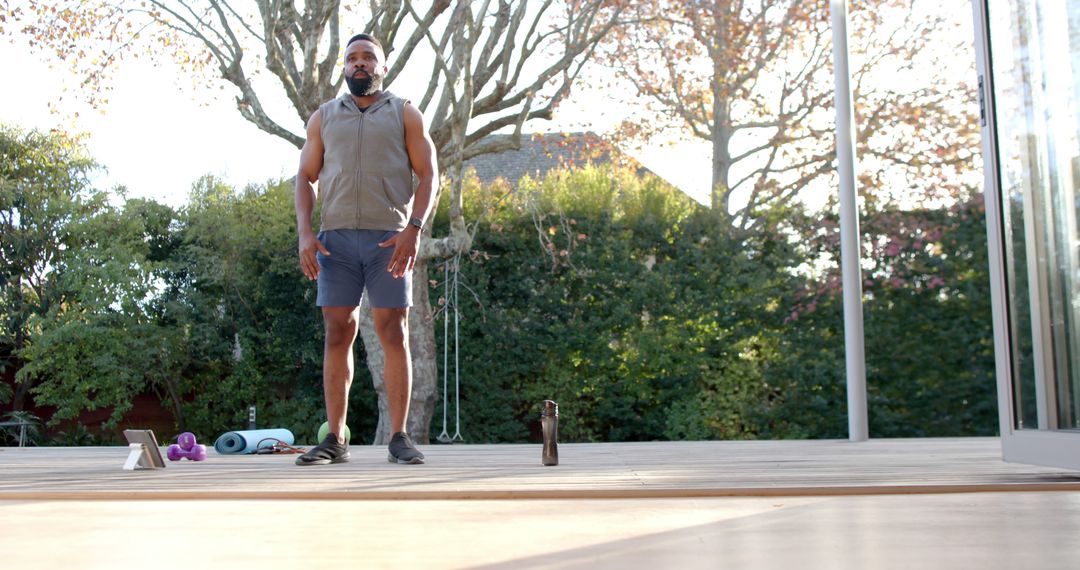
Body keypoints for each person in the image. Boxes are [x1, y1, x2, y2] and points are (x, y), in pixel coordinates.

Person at [293, 33, 437, 466]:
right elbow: (304, 177)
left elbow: (430, 175)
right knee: (338, 333)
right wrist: (304, 233)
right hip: (335, 240)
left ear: (382, 67)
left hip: (388, 240)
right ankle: (335, 439)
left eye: (368, 58)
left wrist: (414, 228)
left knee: (393, 332)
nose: (360, 63)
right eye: (353, 57)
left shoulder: (405, 113)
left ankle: (399, 437)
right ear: (345, 67)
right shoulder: (323, 117)